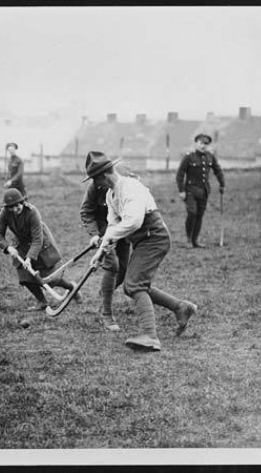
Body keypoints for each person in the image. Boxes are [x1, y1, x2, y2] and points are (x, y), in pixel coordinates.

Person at [85, 151, 197, 352]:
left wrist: (111, 238)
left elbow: (133, 221)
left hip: (154, 238)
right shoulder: (111, 195)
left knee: (135, 284)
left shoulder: (130, 187)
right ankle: (180, 307)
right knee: (132, 286)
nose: (95, 184)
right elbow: (113, 225)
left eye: (95, 179)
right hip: (142, 241)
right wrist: (99, 253)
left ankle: (151, 336)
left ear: (104, 175)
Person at [0, 188, 75, 311]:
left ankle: (71, 287)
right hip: (21, 244)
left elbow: (37, 239)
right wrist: (8, 247)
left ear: (22, 202)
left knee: (48, 278)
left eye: (17, 206)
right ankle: (42, 302)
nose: (15, 210)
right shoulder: (5, 213)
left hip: (40, 243)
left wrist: (29, 258)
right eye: (11, 207)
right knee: (25, 276)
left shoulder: (32, 212)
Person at [80, 177, 131, 332]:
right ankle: (106, 314)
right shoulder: (95, 186)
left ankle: (105, 293)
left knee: (122, 271)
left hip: (123, 230)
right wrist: (95, 234)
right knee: (112, 265)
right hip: (104, 231)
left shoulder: (126, 184)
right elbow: (86, 211)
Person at [175, 133, 225, 248]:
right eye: (201, 143)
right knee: (192, 212)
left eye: (206, 144)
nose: (203, 146)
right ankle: (188, 240)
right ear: (196, 143)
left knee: (199, 215)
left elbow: (218, 170)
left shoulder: (210, 157)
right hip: (190, 191)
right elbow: (180, 175)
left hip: (204, 192)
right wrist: (181, 190)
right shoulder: (189, 157)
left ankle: (195, 241)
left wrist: (222, 184)